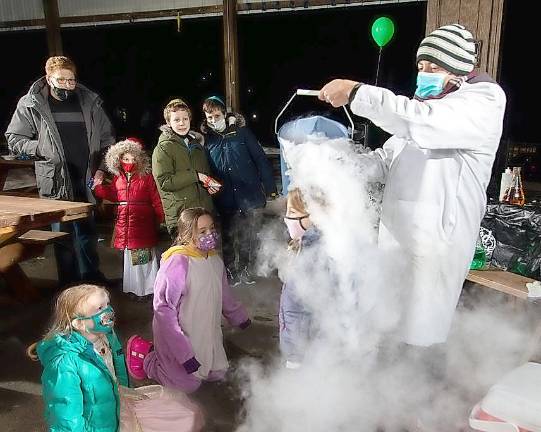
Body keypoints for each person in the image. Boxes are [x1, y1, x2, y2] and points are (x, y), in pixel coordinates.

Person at [318, 24, 506, 347]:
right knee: (388, 332)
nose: (424, 73)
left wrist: (355, 91)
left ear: (460, 69)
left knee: (421, 342)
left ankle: (426, 395)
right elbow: (386, 159)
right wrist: (338, 165)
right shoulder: (423, 109)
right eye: (421, 66)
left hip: (435, 245)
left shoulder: (483, 101)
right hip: (396, 242)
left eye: (434, 67)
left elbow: (422, 122)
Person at [28, 284, 204, 432]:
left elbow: (116, 367)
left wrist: (123, 389)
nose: (108, 312)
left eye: (107, 304)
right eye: (99, 309)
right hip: (96, 424)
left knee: (185, 415)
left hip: (116, 403)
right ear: (79, 323)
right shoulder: (64, 363)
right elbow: (65, 411)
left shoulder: (106, 335)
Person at [5, 56, 115, 285]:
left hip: (87, 178)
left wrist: (102, 169)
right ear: (48, 78)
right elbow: (14, 138)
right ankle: (68, 283)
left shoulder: (89, 102)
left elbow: (107, 138)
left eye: (71, 80)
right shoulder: (31, 104)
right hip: (55, 179)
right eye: (61, 80)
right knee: (63, 235)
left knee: (87, 232)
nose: (66, 85)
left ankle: (91, 278)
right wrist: (40, 147)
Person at [125, 207, 251, 393]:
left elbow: (223, 294)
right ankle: (147, 357)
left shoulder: (215, 260)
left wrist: (238, 317)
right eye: (202, 231)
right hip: (179, 337)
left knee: (217, 372)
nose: (210, 234)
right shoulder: (178, 262)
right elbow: (163, 309)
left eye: (212, 228)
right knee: (187, 385)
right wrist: (182, 352)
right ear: (187, 233)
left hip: (206, 332)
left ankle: (188, 364)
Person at [201, 96, 277, 285]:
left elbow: (260, 159)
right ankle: (230, 272)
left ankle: (245, 269)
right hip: (225, 197)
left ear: (224, 114)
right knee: (227, 235)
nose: (213, 121)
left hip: (249, 194)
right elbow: (207, 169)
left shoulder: (242, 133)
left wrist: (270, 188)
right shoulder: (208, 140)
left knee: (248, 234)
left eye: (216, 116)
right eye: (209, 117)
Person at [92, 139, 164, 301]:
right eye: (126, 159)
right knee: (131, 258)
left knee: (143, 257)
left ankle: (147, 289)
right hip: (125, 222)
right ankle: (133, 288)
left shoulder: (146, 177)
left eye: (133, 159)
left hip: (142, 221)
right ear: (119, 159)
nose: (130, 162)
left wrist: (161, 216)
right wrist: (99, 189)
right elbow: (113, 194)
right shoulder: (118, 179)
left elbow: (155, 197)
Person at [152, 99, 219, 238]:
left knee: (205, 256)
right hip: (182, 217)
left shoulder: (197, 146)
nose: (182, 123)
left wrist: (209, 185)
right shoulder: (163, 148)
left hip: (203, 215)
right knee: (186, 258)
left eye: (185, 119)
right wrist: (196, 176)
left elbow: (204, 174)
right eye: (176, 120)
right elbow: (165, 182)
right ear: (169, 123)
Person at [280, 188, 322, 369]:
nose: (287, 219)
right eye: (287, 212)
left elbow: (300, 312)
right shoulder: (303, 245)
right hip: (305, 348)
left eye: (293, 213)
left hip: (307, 352)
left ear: (313, 216)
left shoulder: (314, 255)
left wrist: (295, 355)